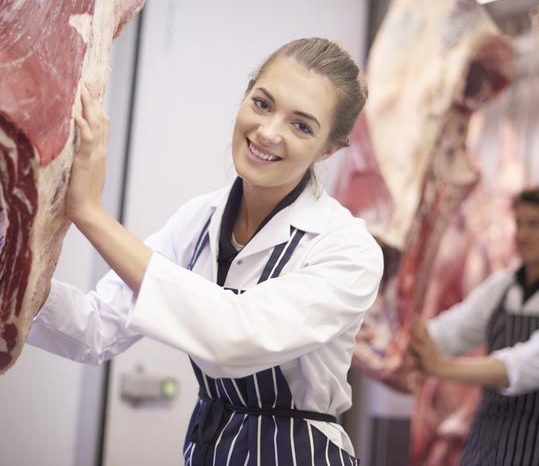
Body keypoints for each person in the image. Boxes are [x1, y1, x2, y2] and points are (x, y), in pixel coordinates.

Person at [27, 38, 383, 465]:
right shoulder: (199, 218)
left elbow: (232, 335)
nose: (268, 132)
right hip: (210, 448)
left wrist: (89, 213)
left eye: (301, 126)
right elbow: (96, 327)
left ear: (328, 149)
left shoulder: (347, 248)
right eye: (263, 103)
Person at [410, 185, 539, 466]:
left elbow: (533, 362)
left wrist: (443, 368)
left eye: (534, 224)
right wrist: (404, 330)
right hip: (487, 448)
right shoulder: (501, 287)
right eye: (519, 223)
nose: (522, 235)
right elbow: (449, 332)